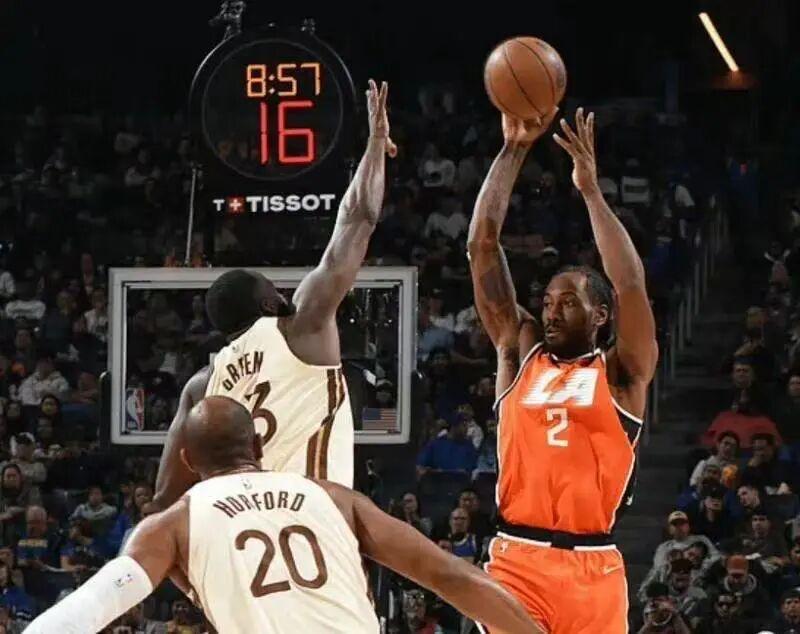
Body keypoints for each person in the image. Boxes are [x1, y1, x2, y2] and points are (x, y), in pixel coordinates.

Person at [27, 396, 541, 634]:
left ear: (187, 461)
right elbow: (449, 575)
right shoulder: (333, 496)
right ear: (257, 445)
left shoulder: (172, 525)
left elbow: (93, 605)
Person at [153, 80, 395, 507]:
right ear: (269, 304)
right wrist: (375, 146)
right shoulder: (299, 327)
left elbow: (165, 495)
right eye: (275, 288)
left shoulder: (202, 385)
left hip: (241, 527)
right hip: (312, 519)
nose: (285, 291)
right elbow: (358, 219)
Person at [466, 108, 659, 633]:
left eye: (568, 302)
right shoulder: (519, 352)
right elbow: (481, 247)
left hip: (595, 569)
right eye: (548, 301)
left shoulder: (621, 373)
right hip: (517, 561)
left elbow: (630, 284)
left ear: (600, 316)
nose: (551, 312)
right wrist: (512, 150)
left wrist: (591, 192)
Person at [652, 511, 718, 569]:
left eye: (682, 523)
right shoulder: (664, 547)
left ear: (688, 527)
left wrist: (699, 565)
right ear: (670, 529)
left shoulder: (702, 539)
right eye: (675, 524)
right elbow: (658, 566)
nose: (679, 527)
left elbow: (716, 557)